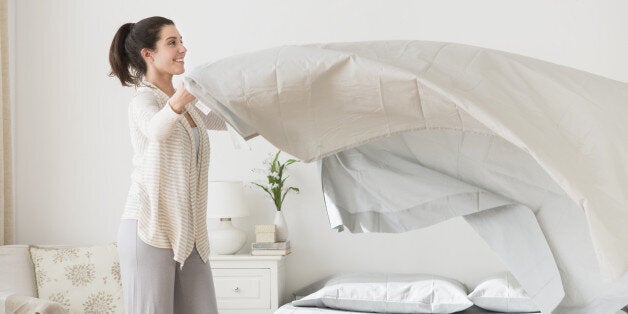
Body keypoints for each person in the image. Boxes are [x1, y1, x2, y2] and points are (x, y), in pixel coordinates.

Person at [108, 16, 226, 313]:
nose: (182, 48)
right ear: (148, 54)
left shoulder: (184, 101)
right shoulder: (143, 102)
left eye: (182, 41)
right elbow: (157, 130)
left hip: (189, 230)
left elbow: (224, 121)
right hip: (148, 225)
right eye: (172, 43)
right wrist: (179, 100)